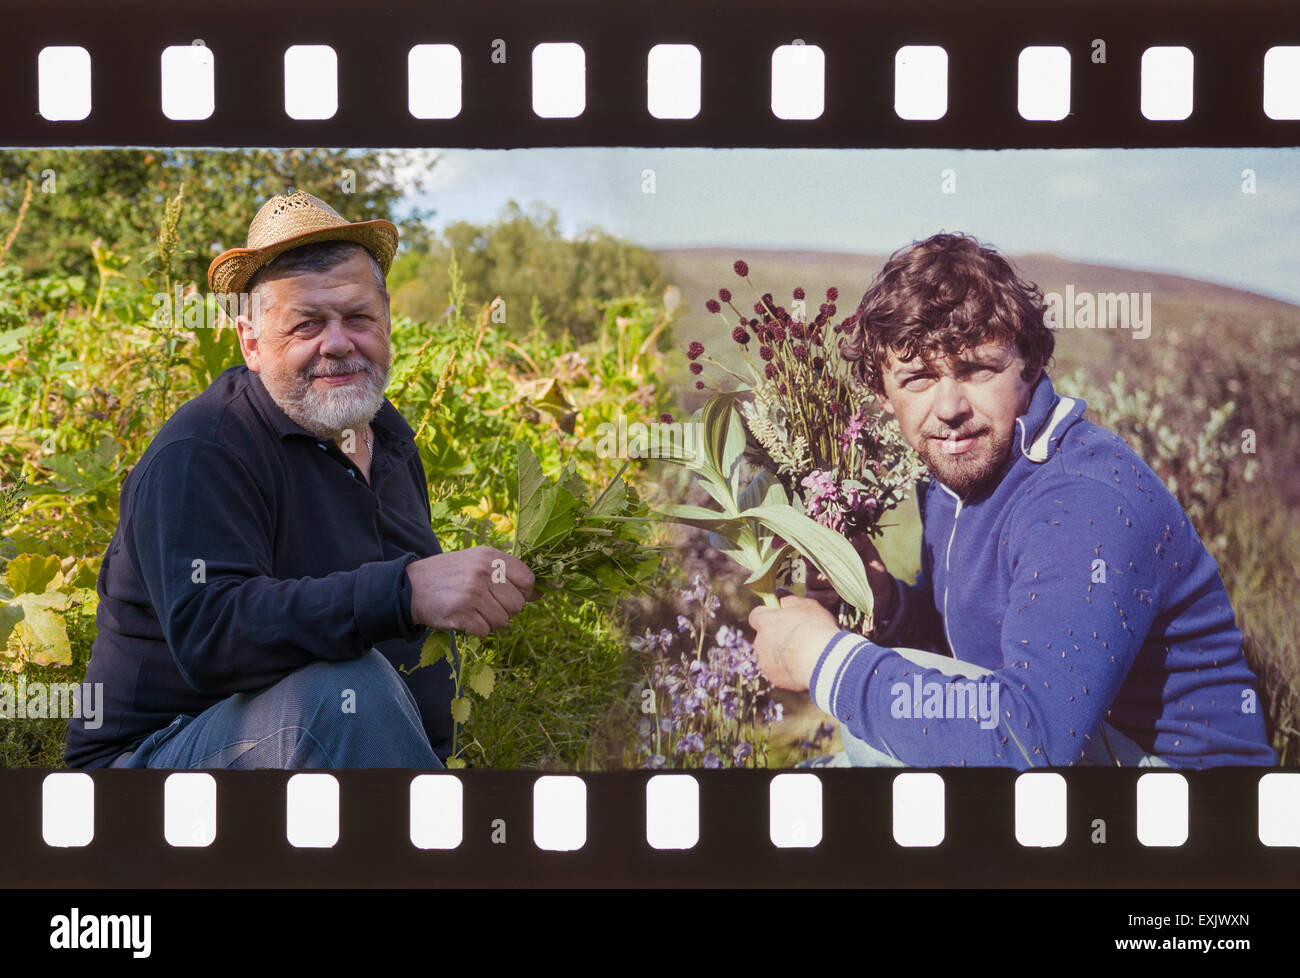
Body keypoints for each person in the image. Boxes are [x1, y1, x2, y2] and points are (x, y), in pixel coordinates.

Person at [749, 232, 1275, 768]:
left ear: (1029, 364)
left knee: (872, 739)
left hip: (1189, 804)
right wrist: (888, 607)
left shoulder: (1081, 498)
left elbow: (1033, 740)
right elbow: (973, 657)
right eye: (918, 378)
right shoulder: (954, 476)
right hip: (1084, 757)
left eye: (977, 369)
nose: (950, 406)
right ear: (883, 395)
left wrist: (822, 659)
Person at [65, 190, 535, 770]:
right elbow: (212, 637)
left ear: (387, 321)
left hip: (330, 763)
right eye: (306, 325)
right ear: (251, 343)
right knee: (344, 695)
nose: (337, 344)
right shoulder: (203, 450)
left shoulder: (385, 433)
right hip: (151, 765)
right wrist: (405, 591)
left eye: (358, 318)